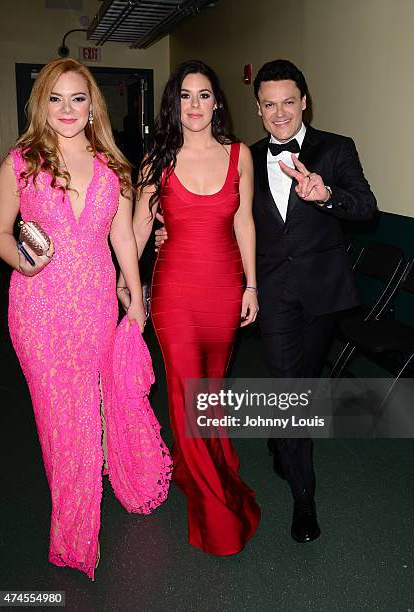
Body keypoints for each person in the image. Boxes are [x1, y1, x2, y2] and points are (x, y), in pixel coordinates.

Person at [156, 59, 377, 544]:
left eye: (289, 103)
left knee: (304, 382)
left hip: (322, 294)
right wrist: (167, 232)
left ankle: (281, 440)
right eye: (270, 104)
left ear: (304, 103)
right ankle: (304, 499)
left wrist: (327, 196)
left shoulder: (336, 149)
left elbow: (366, 206)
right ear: (258, 109)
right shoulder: (244, 156)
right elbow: (230, 222)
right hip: (273, 294)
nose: (280, 113)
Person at [0, 58, 148, 579]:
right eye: (55, 98)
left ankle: (86, 510)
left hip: (97, 305)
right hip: (37, 309)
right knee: (60, 422)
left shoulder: (112, 163)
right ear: (42, 103)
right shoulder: (22, 160)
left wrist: (137, 296)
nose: (66, 109)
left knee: (87, 413)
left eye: (77, 98)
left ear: (92, 106)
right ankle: (73, 532)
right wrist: (22, 259)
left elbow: (123, 236)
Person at [118, 59, 261, 555]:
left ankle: (202, 462)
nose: (195, 105)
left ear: (217, 101)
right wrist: (129, 287)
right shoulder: (158, 159)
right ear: (173, 104)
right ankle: (215, 513)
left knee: (210, 392)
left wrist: (252, 285)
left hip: (225, 289)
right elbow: (138, 228)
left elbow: (244, 222)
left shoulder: (240, 155)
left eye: (203, 95)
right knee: (185, 392)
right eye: (185, 95)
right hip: (175, 291)